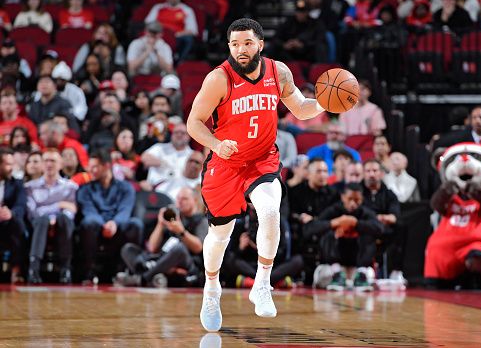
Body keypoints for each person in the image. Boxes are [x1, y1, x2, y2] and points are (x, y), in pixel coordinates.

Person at [186, 18, 327, 331]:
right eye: (235, 44)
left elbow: (301, 108)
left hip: (262, 160)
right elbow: (193, 122)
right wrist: (216, 143)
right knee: (219, 237)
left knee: (270, 210)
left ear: (260, 44)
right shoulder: (218, 79)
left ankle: (262, 284)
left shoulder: (279, 72)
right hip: (225, 164)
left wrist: (326, 103)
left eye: (247, 43)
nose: (241, 49)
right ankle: (211, 289)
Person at [116, 187, 208, 287]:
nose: (180, 202)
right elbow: (152, 247)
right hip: (161, 259)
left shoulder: (201, 220)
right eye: (178, 198)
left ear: (194, 200)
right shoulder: (172, 217)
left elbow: (198, 247)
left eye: (184, 199)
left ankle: (143, 278)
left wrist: (181, 232)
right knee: (128, 248)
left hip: (186, 263)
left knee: (179, 249)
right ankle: (156, 275)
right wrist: (160, 224)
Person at [77, 149, 143, 283]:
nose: (91, 170)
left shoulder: (126, 187)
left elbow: (126, 209)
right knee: (88, 222)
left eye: (95, 166)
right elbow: (89, 210)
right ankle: (89, 271)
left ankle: (127, 271)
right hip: (96, 226)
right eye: (90, 167)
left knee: (136, 224)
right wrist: (104, 225)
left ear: (107, 166)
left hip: (119, 226)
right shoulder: (85, 189)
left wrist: (115, 223)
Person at [24, 149, 78, 284]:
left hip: (61, 223)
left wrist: (54, 215)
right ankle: (33, 268)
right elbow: (33, 212)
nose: (49, 164)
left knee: (64, 219)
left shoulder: (70, 187)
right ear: (42, 165)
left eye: (53, 161)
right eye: (46, 161)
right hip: (38, 224)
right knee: (42, 220)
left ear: (60, 164)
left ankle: (66, 269)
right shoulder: (30, 187)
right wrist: (58, 205)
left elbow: (71, 211)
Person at [0, 148, 28, 283]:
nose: (11, 168)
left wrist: (10, 213)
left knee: (18, 223)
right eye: (7, 164)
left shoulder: (16, 184)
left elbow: (21, 205)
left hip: (8, 222)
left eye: (12, 164)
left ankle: (16, 270)